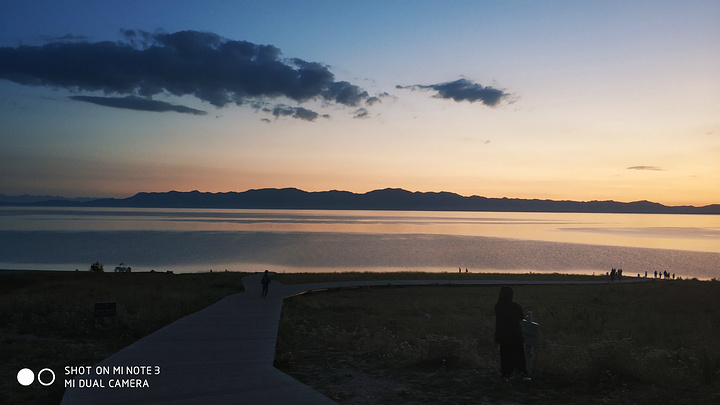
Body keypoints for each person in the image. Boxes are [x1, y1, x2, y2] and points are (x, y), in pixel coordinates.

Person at [494, 286, 528, 380]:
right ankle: (522, 373)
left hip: (503, 336)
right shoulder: (516, 307)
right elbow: (521, 318)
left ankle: (506, 374)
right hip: (516, 336)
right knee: (519, 355)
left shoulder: (498, 306)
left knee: (505, 356)